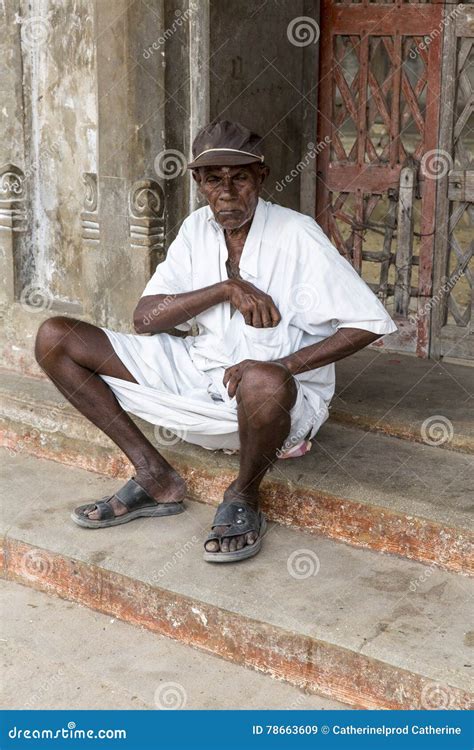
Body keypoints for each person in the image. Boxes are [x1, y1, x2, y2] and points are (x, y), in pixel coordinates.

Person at [34, 120, 397, 563]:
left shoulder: (296, 234)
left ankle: (243, 495)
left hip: (274, 403)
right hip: (198, 372)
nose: (226, 192)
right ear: (198, 183)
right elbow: (145, 318)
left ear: (261, 178)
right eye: (213, 179)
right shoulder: (196, 229)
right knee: (55, 337)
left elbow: (370, 322)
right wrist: (225, 288)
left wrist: (285, 365)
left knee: (262, 380)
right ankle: (154, 476)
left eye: (239, 178)